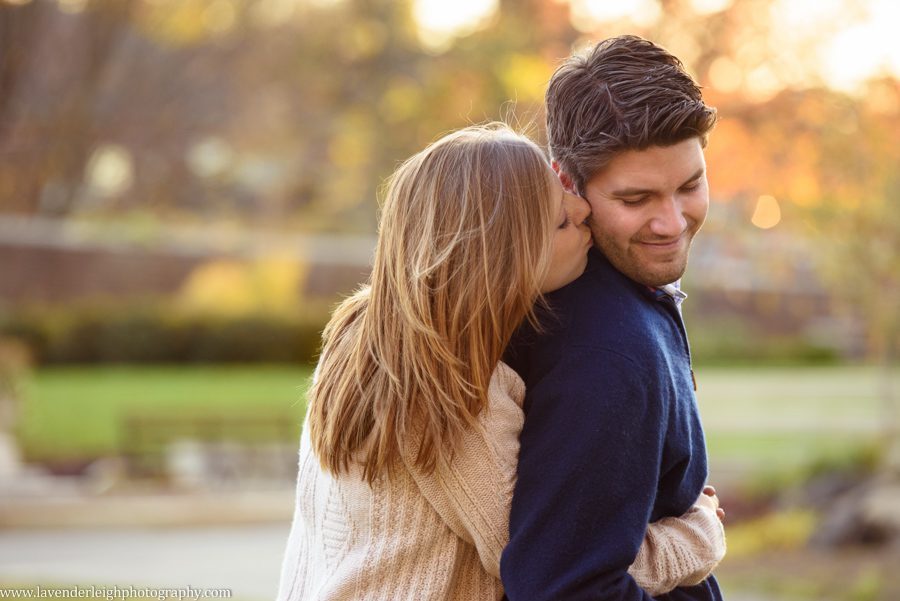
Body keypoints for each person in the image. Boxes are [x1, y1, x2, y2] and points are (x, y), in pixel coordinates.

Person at [276, 123, 725, 601]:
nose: (582, 211)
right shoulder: (451, 387)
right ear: (505, 256)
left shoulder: (367, 331)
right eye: (559, 222)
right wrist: (696, 537)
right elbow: (545, 558)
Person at [500, 36, 725, 600]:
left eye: (690, 186)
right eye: (636, 199)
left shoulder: (628, 299)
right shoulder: (605, 350)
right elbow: (564, 588)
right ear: (568, 183)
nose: (672, 222)